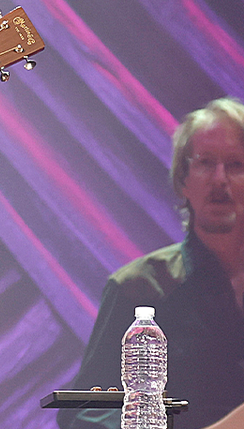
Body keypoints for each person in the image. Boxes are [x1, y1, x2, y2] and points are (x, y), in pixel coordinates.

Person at [60, 97, 244, 429]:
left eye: (235, 164)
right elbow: (82, 412)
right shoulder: (138, 287)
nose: (220, 179)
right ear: (183, 180)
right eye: (205, 163)